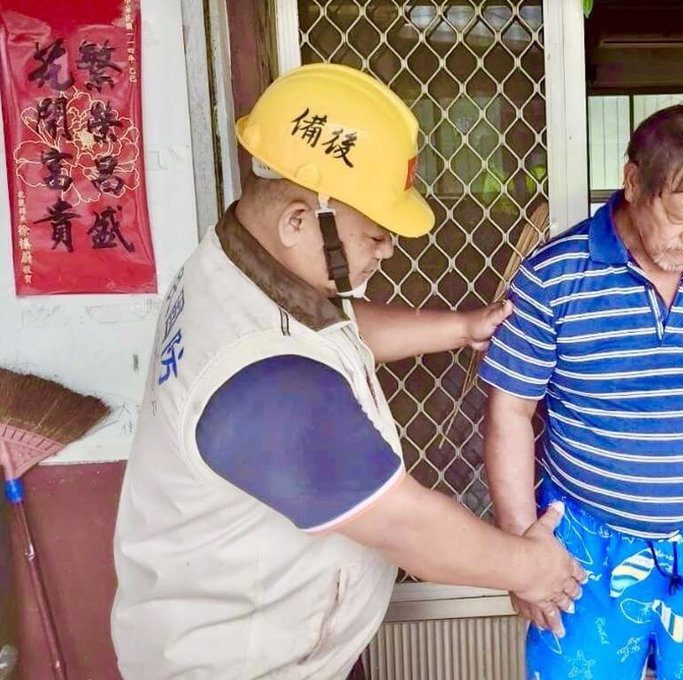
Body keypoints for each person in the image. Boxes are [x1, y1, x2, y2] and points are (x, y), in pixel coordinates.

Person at [110, 64, 584, 679]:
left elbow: (335, 330)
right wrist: (534, 568)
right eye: (375, 234)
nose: (388, 249)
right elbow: (406, 525)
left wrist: (460, 328)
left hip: (272, 638)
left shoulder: (234, 264)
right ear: (298, 221)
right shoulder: (267, 384)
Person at [480, 105, 683, 678]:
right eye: (681, 214)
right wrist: (521, 552)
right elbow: (510, 412)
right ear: (633, 182)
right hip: (586, 549)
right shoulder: (554, 275)